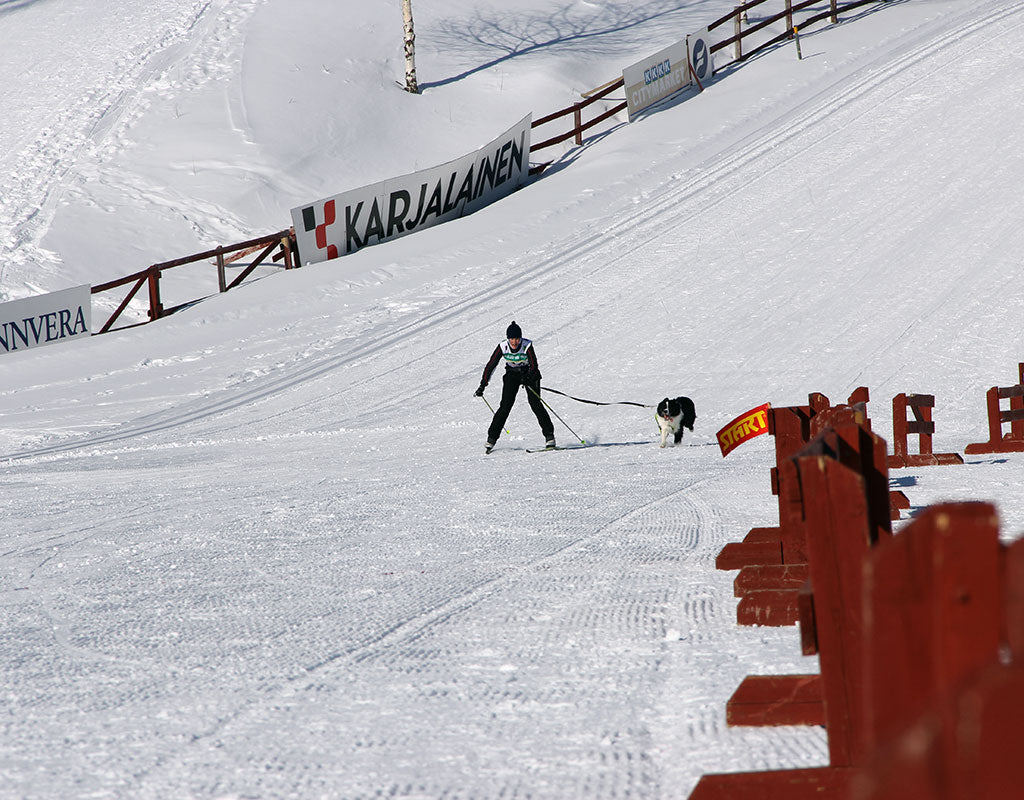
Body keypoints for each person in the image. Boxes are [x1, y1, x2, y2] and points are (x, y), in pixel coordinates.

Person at [475, 321, 555, 453]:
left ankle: (549, 436)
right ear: (508, 338)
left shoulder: (526, 345)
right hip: (512, 375)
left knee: (535, 403)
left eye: (517, 338)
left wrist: (529, 377)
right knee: (505, 406)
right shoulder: (503, 346)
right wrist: (483, 385)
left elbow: (534, 365)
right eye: (512, 339)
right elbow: (491, 365)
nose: (514, 342)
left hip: (529, 374)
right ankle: (491, 439)